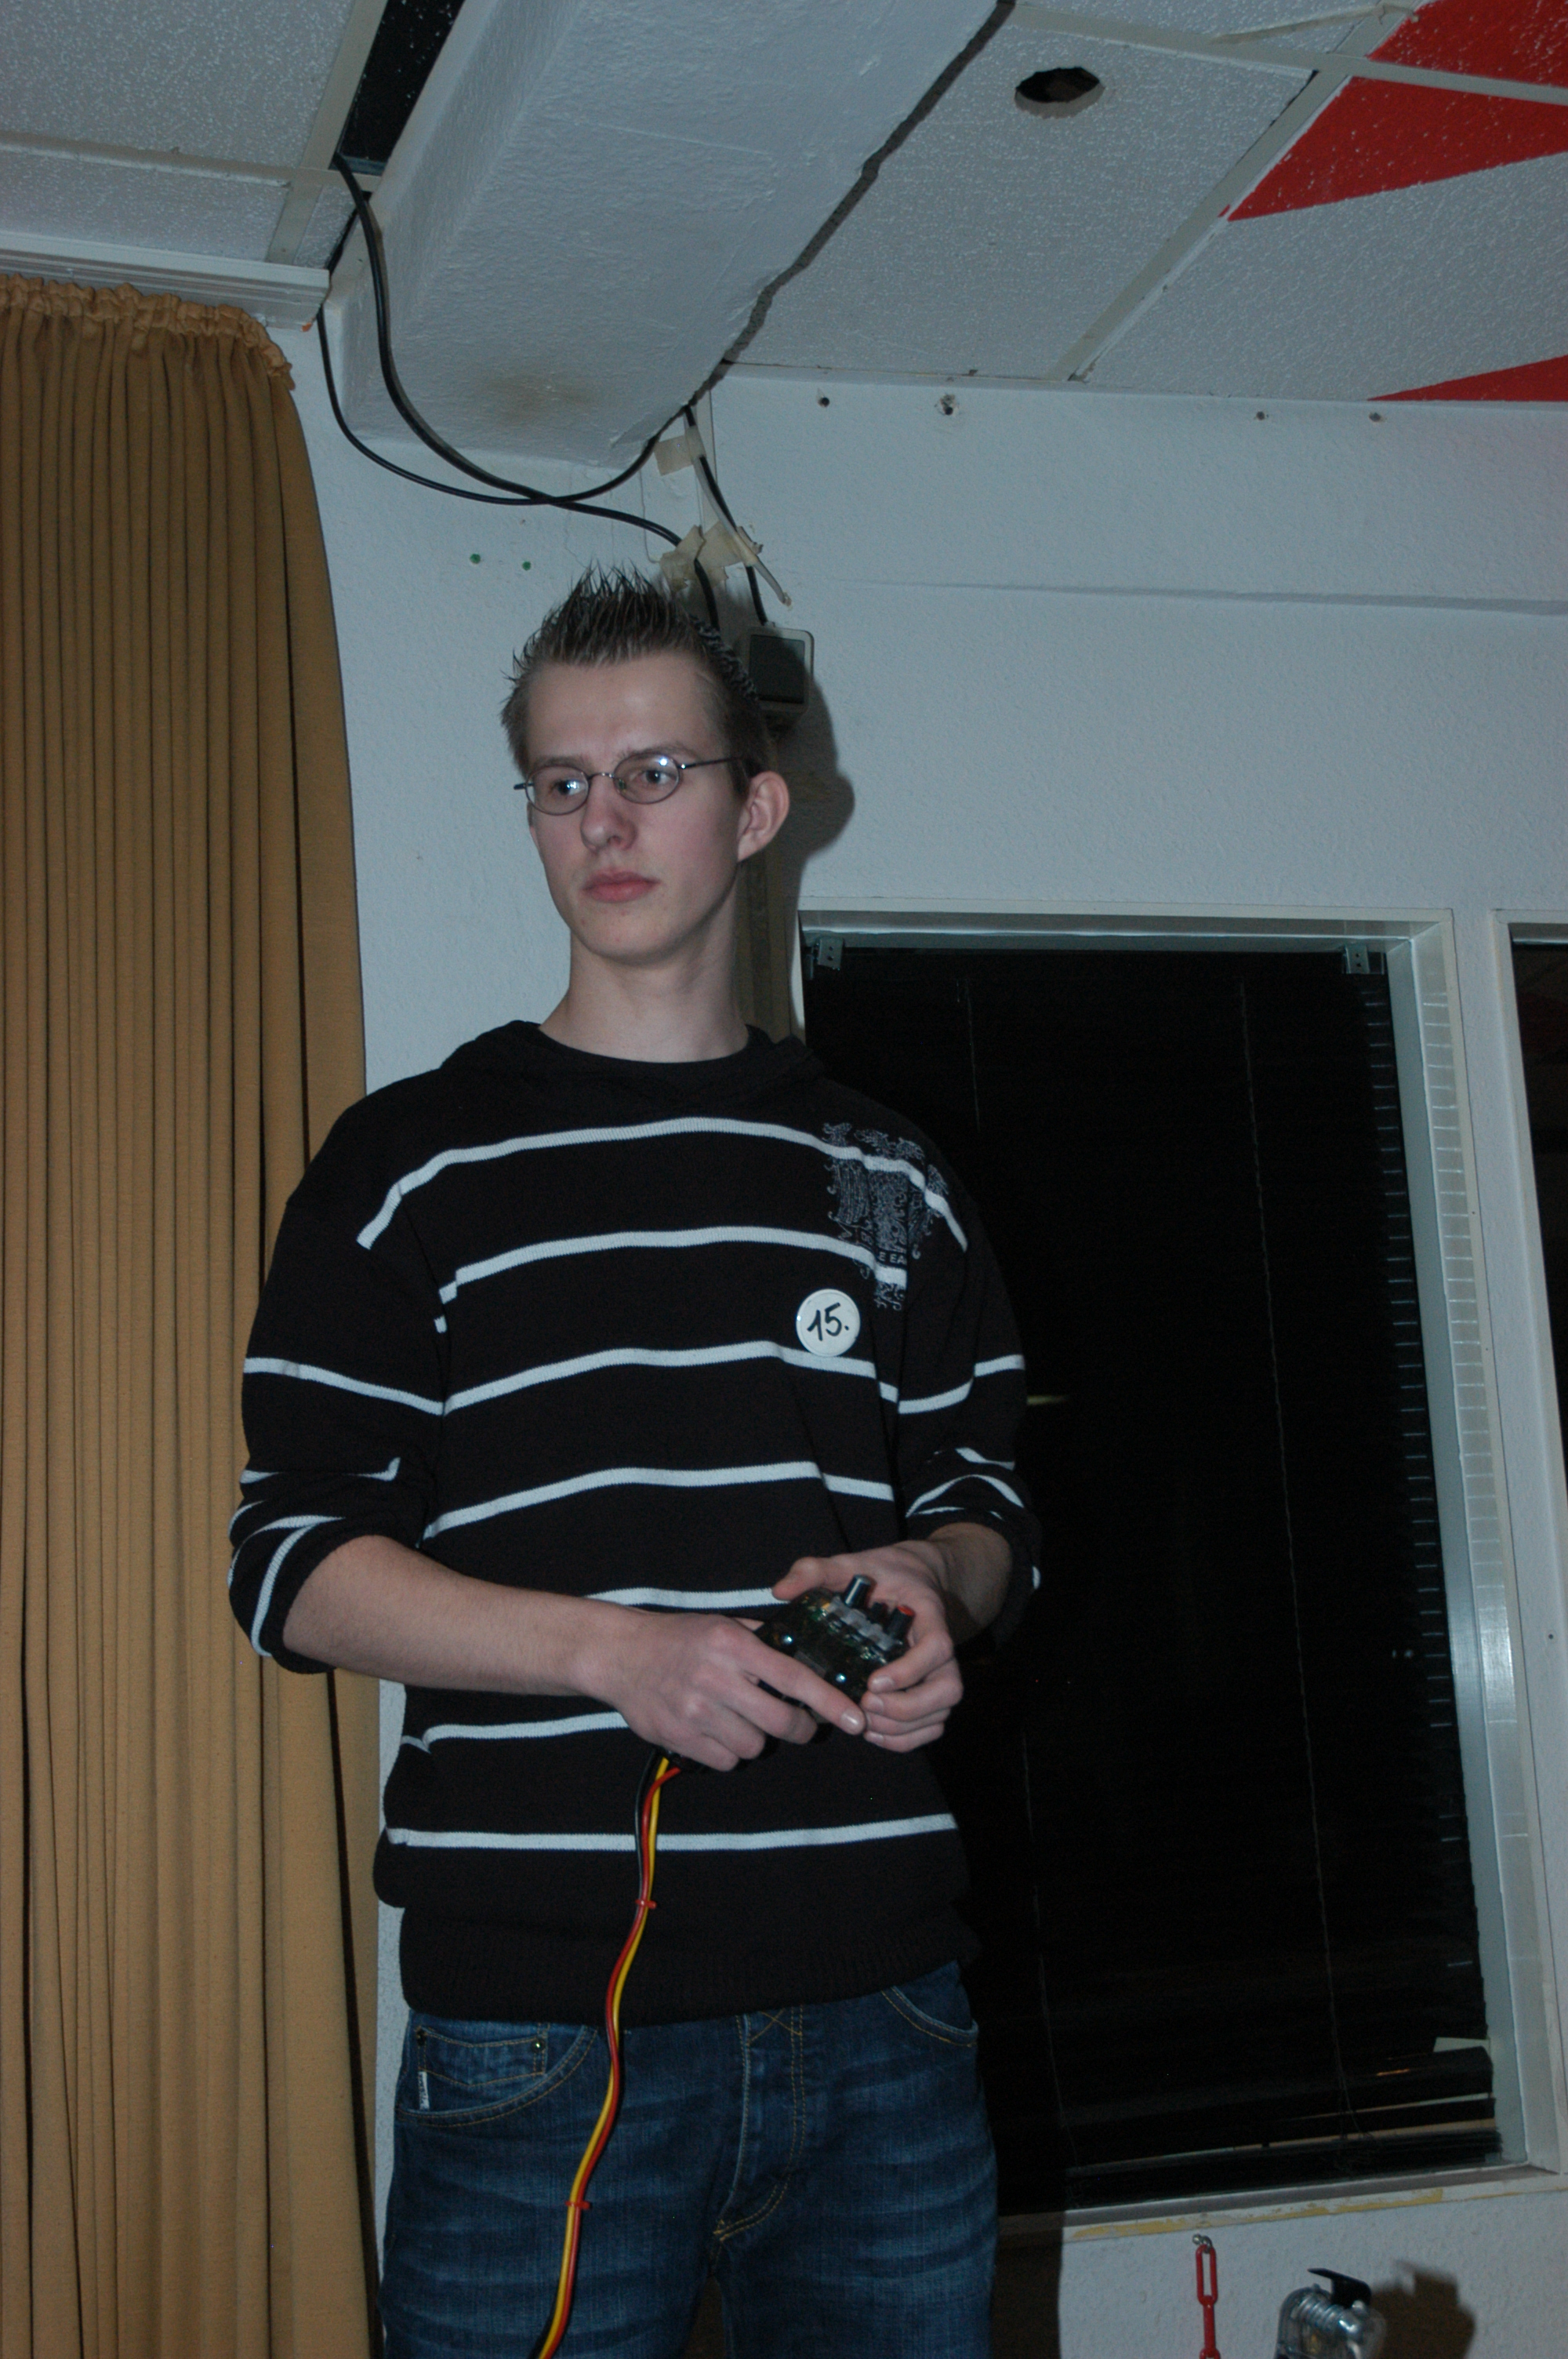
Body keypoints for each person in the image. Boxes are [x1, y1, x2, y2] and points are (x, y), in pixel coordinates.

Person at [230, 569, 1040, 2359]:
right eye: (562, 781)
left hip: (889, 2017)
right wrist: (616, 1654)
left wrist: (935, 1584)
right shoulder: (409, 1164)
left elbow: (988, 1510)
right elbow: (288, 1563)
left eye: (654, 773)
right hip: (542, 2042)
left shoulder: (888, 1175)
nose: (603, 820)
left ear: (755, 810)